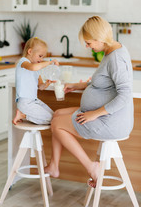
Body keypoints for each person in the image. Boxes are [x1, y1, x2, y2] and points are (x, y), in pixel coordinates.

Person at [45, 16, 133, 188]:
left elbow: (125, 95)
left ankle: (92, 167)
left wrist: (95, 113)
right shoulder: (110, 52)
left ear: (100, 38)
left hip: (110, 121)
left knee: (57, 124)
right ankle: (54, 166)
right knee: (57, 115)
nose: (87, 46)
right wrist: (77, 85)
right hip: (104, 116)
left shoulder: (116, 58)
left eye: (88, 42)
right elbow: (102, 82)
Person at [13, 37, 59, 125]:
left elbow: (40, 87)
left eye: (43, 57)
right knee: (52, 119)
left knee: (54, 116)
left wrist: (47, 83)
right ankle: (23, 115)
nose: (41, 59)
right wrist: (50, 62)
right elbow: (33, 68)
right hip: (25, 102)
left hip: (34, 100)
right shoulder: (23, 62)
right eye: (40, 56)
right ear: (30, 52)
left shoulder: (36, 69)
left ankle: (22, 115)